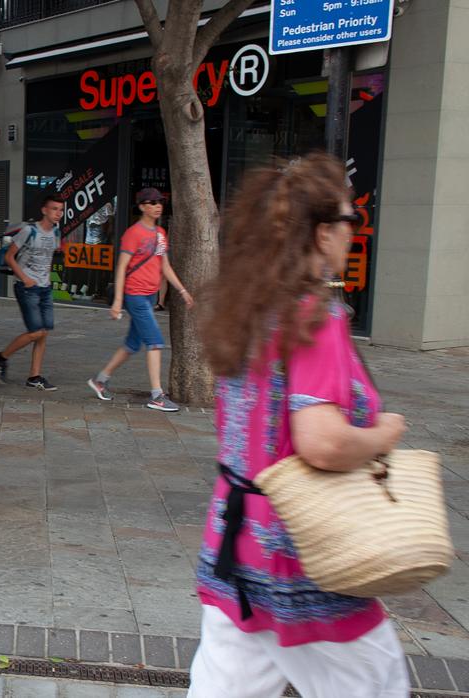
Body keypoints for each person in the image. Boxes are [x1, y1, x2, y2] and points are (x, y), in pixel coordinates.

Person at [188, 154, 409, 697]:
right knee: (376, 686)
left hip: (234, 543)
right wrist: (385, 435)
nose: (354, 234)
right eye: (350, 221)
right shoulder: (315, 314)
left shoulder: (248, 309)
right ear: (323, 232)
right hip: (304, 551)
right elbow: (322, 442)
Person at [86, 188, 192, 411]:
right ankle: (157, 396)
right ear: (142, 206)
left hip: (149, 295)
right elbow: (122, 266)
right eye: (152, 202)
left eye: (160, 202)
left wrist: (182, 291)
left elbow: (165, 266)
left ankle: (100, 381)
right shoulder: (133, 233)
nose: (157, 206)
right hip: (135, 296)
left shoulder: (161, 234)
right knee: (155, 342)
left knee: (132, 344)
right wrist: (117, 302)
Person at [0, 194, 64, 390]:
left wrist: (46, 281)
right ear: (44, 210)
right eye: (54, 209)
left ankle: (35, 377)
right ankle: (1, 357)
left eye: (61, 210)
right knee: (35, 332)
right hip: (26, 287)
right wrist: (25, 278)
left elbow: (48, 260)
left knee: (44, 333)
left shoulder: (56, 233)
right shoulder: (28, 231)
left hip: (44, 288)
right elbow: (9, 256)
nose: (58, 213)